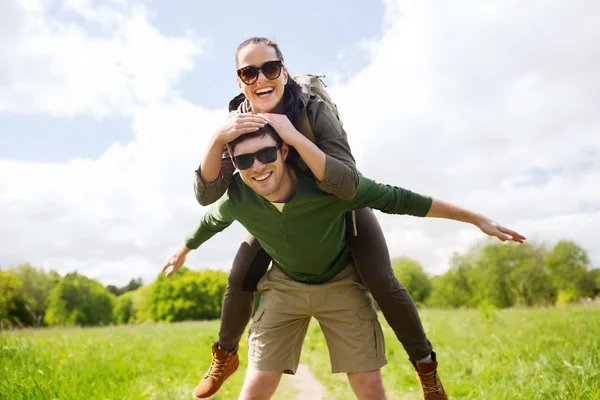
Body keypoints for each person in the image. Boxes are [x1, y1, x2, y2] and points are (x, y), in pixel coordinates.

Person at [165, 126, 525, 400]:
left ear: (284, 150)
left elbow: (402, 199)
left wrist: (475, 218)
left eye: (265, 154)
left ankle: (426, 366)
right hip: (285, 286)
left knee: (368, 385)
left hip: (341, 281)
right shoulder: (239, 198)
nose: (257, 167)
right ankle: (224, 356)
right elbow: (211, 221)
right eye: (244, 160)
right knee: (256, 385)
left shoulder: (330, 189)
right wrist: (184, 249)